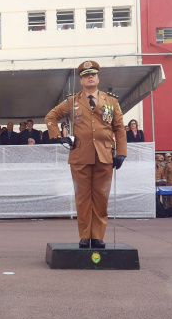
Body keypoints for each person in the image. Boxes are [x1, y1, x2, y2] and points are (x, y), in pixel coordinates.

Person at [45, 61, 126, 249]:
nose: (90, 77)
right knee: (82, 197)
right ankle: (84, 235)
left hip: (105, 156)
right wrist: (58, 137)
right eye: (86, 75)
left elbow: (119, 128)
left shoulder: (111, 101)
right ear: (81, 80)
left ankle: (97, 236)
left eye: (93, 75)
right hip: (80, 156)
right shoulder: (72, 101)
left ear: (98, 78)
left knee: (101, 197)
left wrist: (121, 153)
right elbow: (51, 117)